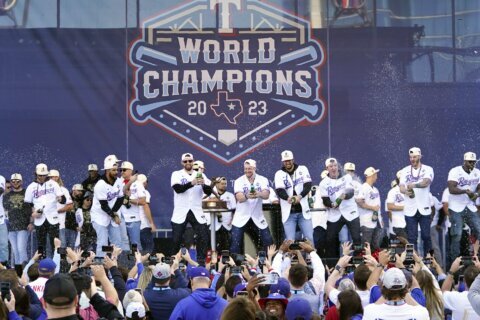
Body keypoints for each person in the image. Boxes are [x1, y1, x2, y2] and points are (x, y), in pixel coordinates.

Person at [171, 153, 212, 259]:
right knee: (176, 239)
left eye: (190, 161)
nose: (188, 163)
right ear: (182, 163)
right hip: (180, 211)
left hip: (196, 210)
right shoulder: (176, 174)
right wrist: (192, 183)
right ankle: (175, 261)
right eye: (185, 161)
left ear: (193, 162)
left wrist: (203, 184)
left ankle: (201, 261)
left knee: (203, 236)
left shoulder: (200, 174)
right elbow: (178, 189)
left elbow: (208, 191)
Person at [319, 158, 360, 258]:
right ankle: (332, 263)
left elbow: (350, 193)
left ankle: (358, 260)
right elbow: (325, 200)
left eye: (335, 166)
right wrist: (331, 204)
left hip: (350, 212)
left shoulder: (347, 177)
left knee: (356, 238)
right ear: (327, 168)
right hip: (335, 214)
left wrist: (343, 197)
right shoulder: (323, 183)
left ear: (338, 166)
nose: (333, 168)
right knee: (330, 239)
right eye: (330, 166)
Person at [231, 159, 273, 254]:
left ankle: (270, 262)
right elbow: (239, 198)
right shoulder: (239, 181)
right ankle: (235, 265)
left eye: (249, 168)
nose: (247, 171)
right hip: (241, 217)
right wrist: (247, 196)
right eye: (245, 169)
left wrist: (259, 194)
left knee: (268, 240)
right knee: (235, 243)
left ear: (254, 168)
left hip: (257, 216)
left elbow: (266, 195)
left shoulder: (263, 179)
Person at [24, 163, 66, 258]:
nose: (42, 177)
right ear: (35, 174)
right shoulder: (31, 187)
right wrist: (33, 213)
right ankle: (42, 266)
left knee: (56, 243)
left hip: (53, 218)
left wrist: (60, 199)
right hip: (39, 220)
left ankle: (58, 265)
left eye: (44, 175)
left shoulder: (54, 184)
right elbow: (27, 204)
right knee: (41, 245)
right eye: (40, 175)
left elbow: (64, 199)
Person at [399, 147, 434, 256]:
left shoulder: (428, 169)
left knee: (426, 236)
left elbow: (426, 182)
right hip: (410, 209)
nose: (412, 159)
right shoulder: (404, 170)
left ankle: (429, 259)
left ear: (419, 156)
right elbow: (401, 187)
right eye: (410, 157)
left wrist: (414, 185)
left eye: (414, 157)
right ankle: (413, 261)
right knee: (411, 238)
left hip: (424, 208)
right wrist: (406, 191)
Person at [274, 150, 314, 243]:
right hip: (289, 214)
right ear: (283, 162)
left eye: (289, 160)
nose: (287, 162)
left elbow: (308, 185)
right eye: (285, 161)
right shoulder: (279, 173)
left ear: (293, 159)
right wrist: (288, 198)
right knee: (290, 241)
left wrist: (300, 196)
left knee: (309, 239)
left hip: (303, 212)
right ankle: (290, 258)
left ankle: (311, 257)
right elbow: (280, 190)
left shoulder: (302, 169)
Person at [447, 152, 480, 261]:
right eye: (470, 162)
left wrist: (476, 194)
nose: (472, 164)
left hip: (470, 206)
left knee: (479, 230)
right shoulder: (455, 171)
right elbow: (451, 189)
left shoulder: (477, 172)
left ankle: (477, 258)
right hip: (456, 207)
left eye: (474, 162)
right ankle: (455, 262)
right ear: (464, 161)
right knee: (457, 235)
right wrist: (465, 191)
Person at [363, 267, 429, 320]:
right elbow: (420, 308)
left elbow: (370, 283)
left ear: (383, 287)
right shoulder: (421, 312)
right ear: (406, 287)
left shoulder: (370, 311)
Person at [91, 155, 124, 257]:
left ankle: (113, 268)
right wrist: (114, 215)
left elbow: (120, 199)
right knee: (103, 243)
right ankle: (99, 268)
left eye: (117, 170)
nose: (116, 172)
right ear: (107, 170)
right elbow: (104, 206)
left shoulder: (118, 181)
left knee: (117, 243)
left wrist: (114, 213)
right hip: (99, 216)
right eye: (113, 170)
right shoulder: (100, 185)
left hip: (110, 214)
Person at [3, 173, 30, 265]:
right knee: (15, 251)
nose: (15, 183)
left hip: (23, 226)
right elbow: (5, 210)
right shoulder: (6, 196)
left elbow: (32, 208)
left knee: (21, 249)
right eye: (13, 181)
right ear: (11, 182)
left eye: (17, 181)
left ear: (21, 182)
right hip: (11, 227)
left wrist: (31, 223)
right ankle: (19, 273)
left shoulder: (26, 193)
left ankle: (25, 271)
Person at [356, 167, 383, 250]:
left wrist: (380, 218)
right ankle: (365, 262)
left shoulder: (375, 189)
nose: (377, 177)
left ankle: (374, 262)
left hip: (376, 221)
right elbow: (359, 202)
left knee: (376, 245)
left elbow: (378, 206)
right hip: (366, 221)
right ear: (371, 175)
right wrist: (372, 208)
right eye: (375, 175)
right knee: (366, 246)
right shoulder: (363, 187)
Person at [48, 170, 75, 248]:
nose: (52, 179)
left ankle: (62, 260)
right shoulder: (44, 191)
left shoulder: (63, 190)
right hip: (47, 225)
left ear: (57, 177)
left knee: (61, 247)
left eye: (54, 177)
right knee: (48, 247)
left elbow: (70, 206)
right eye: (50, 177)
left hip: (60, 224)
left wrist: (57, 211)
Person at [122, 161, 145, 251]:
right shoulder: (118, 182)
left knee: (135, 243)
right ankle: (124, 263)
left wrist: (130, 200)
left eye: (124, 170)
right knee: (122, 244)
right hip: (121, 219)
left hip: (133, 219)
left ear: (130, 171)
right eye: (121, 170)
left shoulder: (138, 184)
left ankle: (139, 263)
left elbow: (143, 201)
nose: (122, 172)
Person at [209, 176, 236, 251]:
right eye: (222, 184)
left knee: (226, 247)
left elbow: (234, 210)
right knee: (214, 247)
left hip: (226, 224)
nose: (224, 185)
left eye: (225, 184)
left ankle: (226, 261)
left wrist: (231, 221)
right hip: (214, 224)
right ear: (217, 185)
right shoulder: (211, 195)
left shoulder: (230, 195)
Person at [386, 171, 407, 239]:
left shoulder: (410, 190)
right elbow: (389, 207)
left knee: (411, 244)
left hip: (410, 223)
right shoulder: (392, 192)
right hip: (398, 224)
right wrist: (405, 207)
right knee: (405, 244)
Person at [138, 174, 156, 253]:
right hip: (144, 225)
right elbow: (146, 207)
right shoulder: (145, 192)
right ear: (144, 183)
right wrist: (151, 223)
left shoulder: (131, 192)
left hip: (134, 226)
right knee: (148, 249)